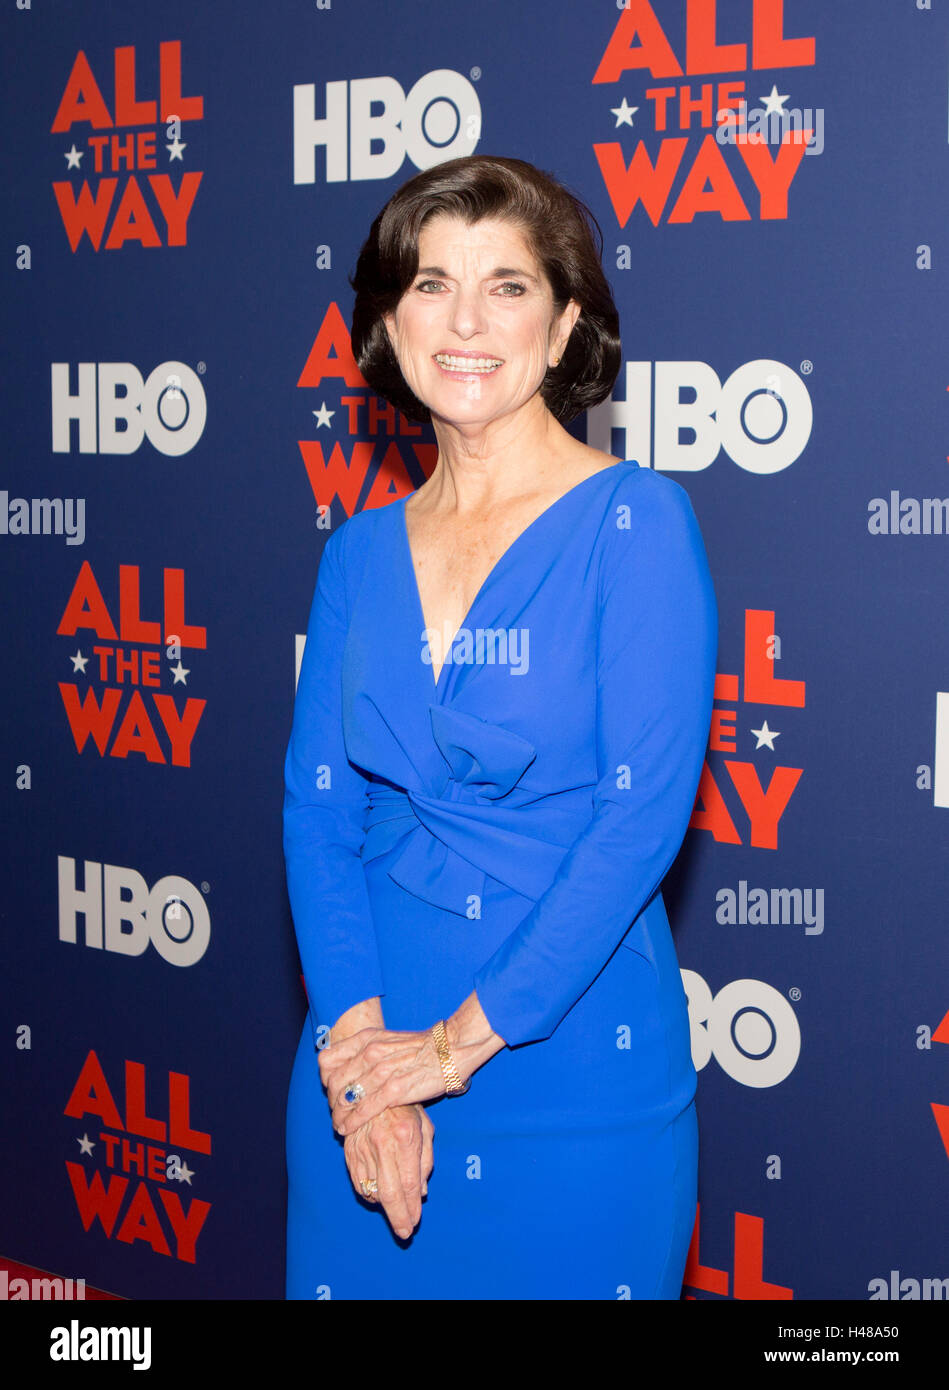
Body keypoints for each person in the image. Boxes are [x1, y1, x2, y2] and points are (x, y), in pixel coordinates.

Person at [283, 154, 717, 1300]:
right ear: (389, 322)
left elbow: (638, 824)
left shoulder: (636, 524)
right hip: (363, 1061)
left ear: (566, 322)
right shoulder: (355, 553)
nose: (465, 321)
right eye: (431, 284)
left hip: (568, 1070)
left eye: (507, 286)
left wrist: (447, 1051)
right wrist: (363, 1067)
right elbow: (318, 818)